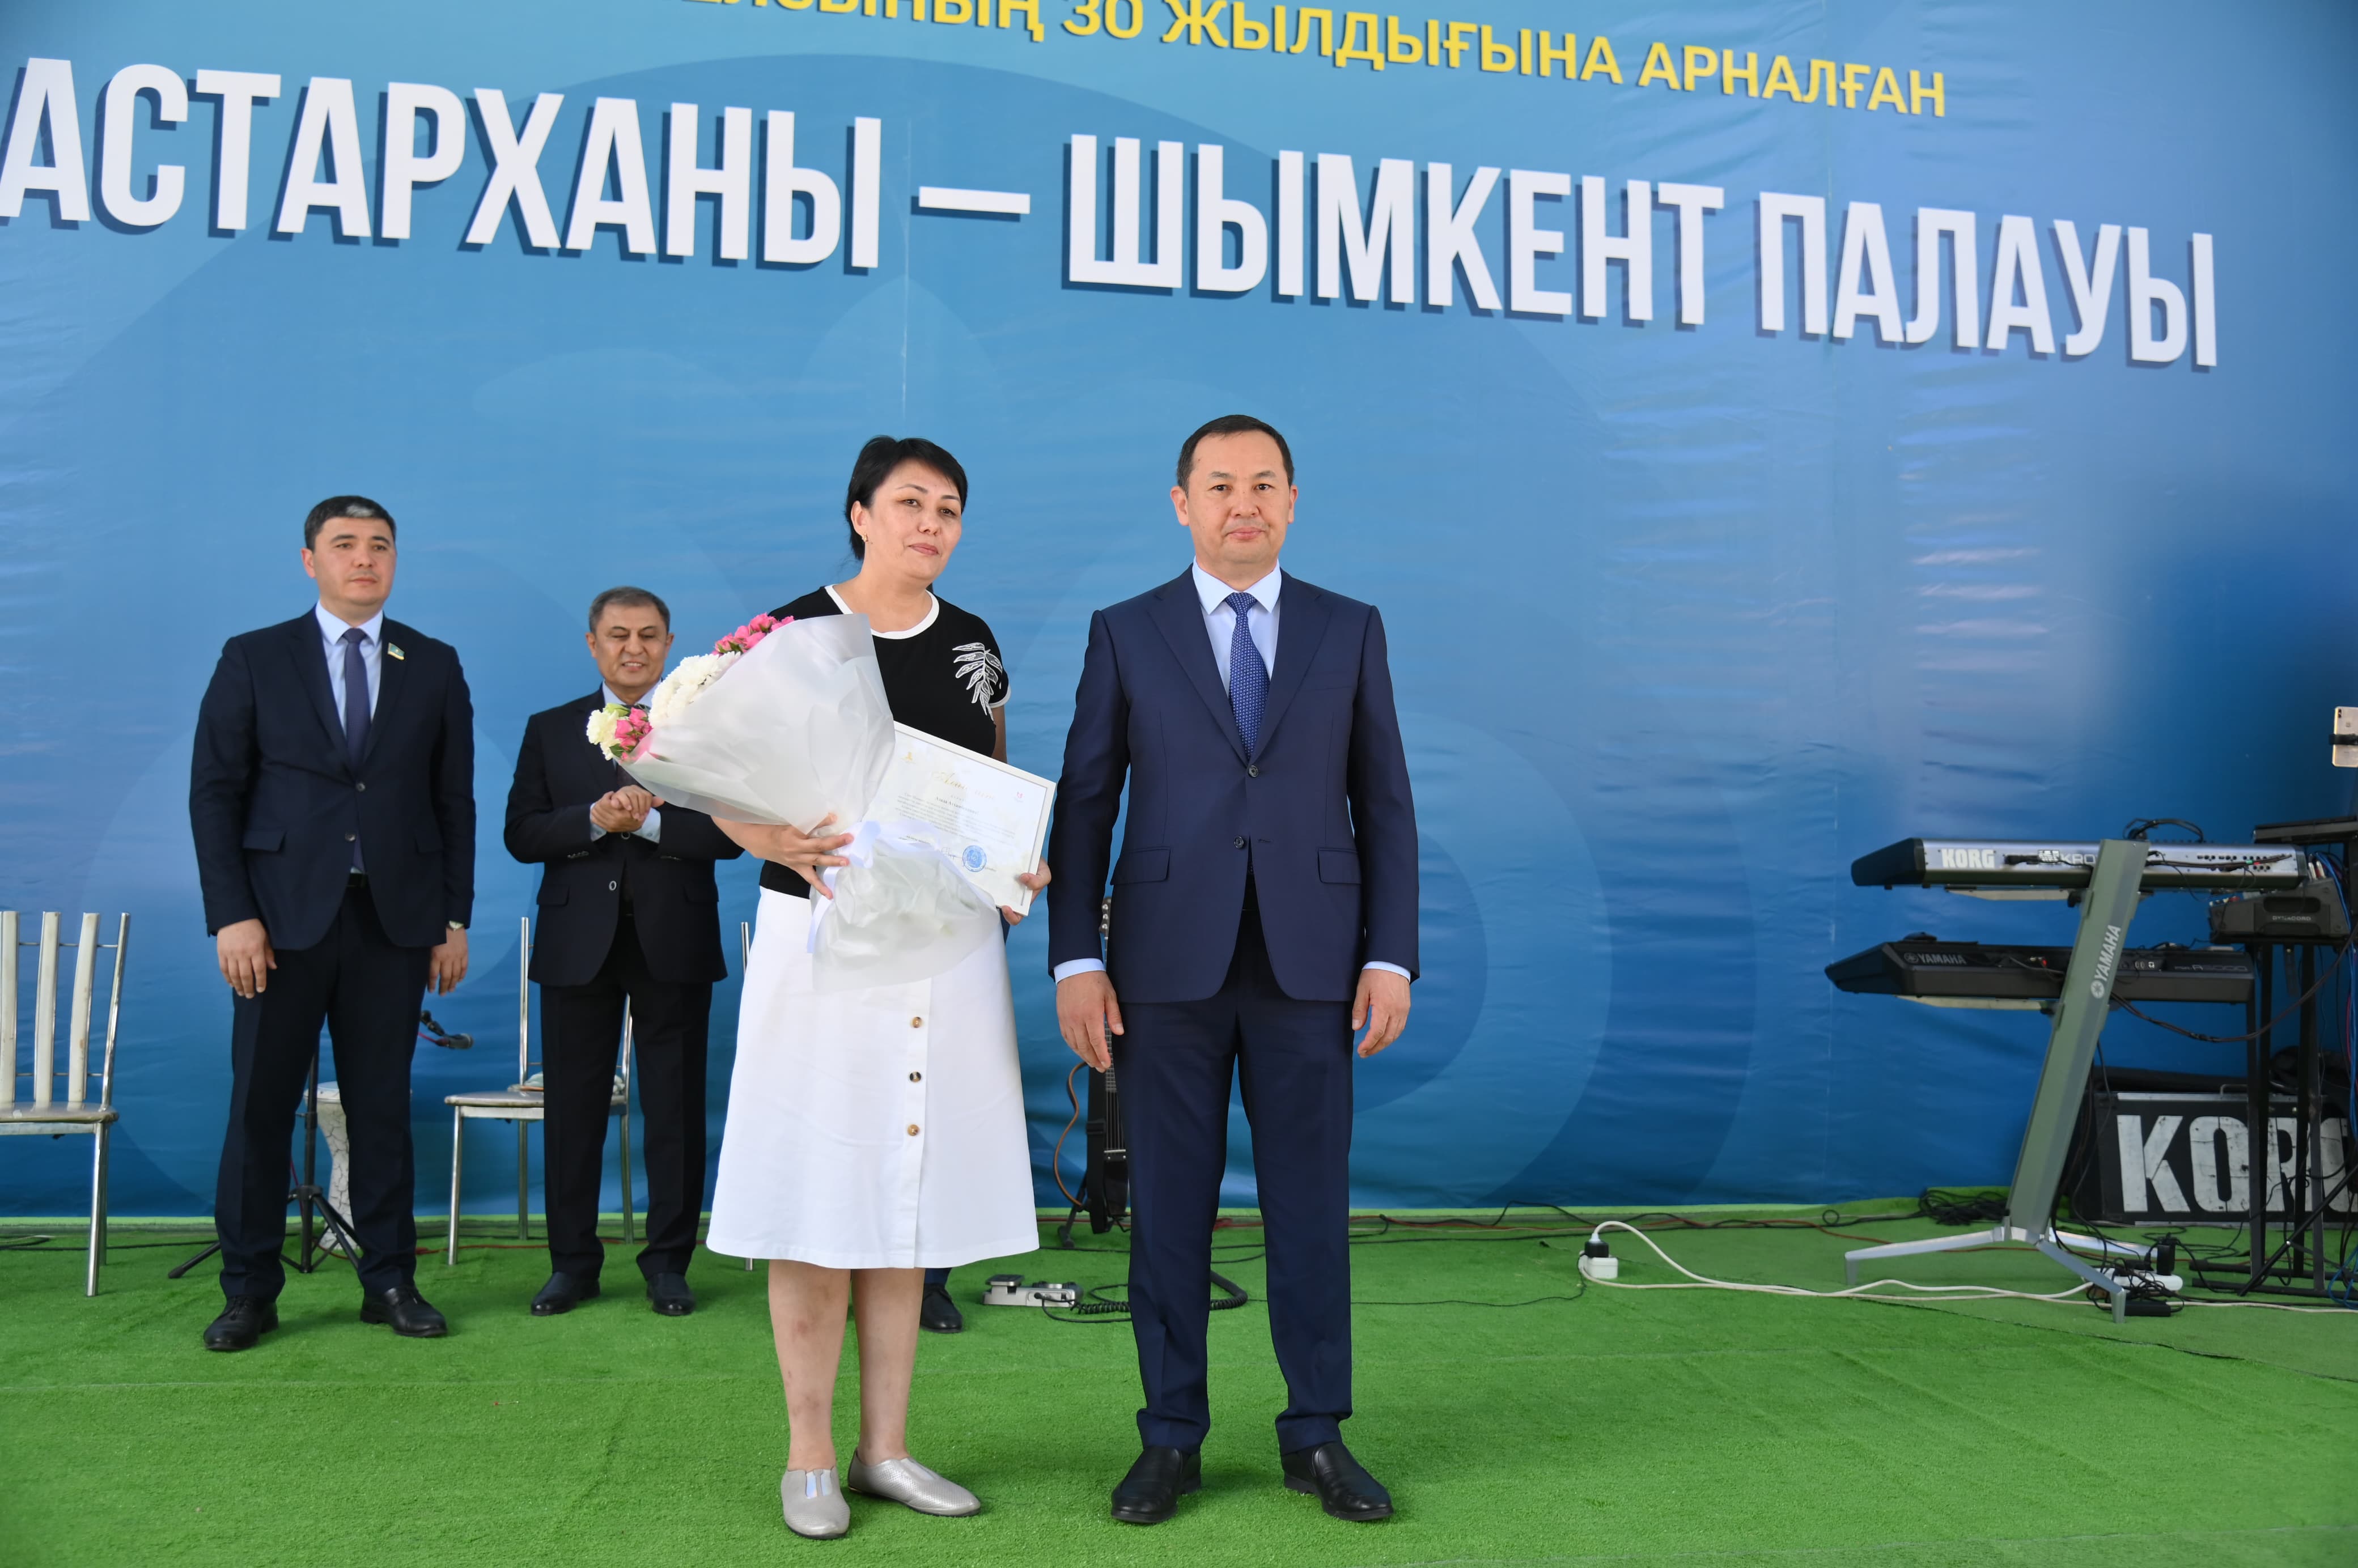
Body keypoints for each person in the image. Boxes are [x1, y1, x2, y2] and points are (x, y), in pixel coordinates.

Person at [1047, 415, 1418, 1525]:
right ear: (1182, 504)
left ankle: (1317, 1434)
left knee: (1310, 1210)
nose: (1241, 503)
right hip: (1162, 966)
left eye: (1263, 484)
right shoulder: (1126, 631)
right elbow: (1087, 803)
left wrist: (1390, 953)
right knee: (1167, 1210)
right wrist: (1076, 957)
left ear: (1292, 501)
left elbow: (1385, 802)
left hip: (1314, 963)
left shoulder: (1350, 628)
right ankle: (1170, 1436)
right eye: (1219, 485)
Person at [706, 436, 1048, 1540]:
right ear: (860, 513)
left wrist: (1013, 863)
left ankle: (885, 1448)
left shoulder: (973, 639)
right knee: (818, 1193)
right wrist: (768, 837)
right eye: (909, 503)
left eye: (948, 507)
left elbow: (992, 769)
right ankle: (809, 1456)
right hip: (820, 936)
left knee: (907, 1197)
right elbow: (703, 764)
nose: (930, 524)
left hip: (942, 941)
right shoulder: (787, 631)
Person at [189, 495, 474, 1352]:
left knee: (381, 1108)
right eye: (345, 544)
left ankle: (388, 1280)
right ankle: (249, 1290)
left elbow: (452, 802)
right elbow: (215, 793)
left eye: (379, 545)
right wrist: (233, 915)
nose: (364, 559)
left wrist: (451, 916)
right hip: (277, 925)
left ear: (395, 561)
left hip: (394, 922)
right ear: (310, 560)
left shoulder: (432, 662)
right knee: (260, 1108)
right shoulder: (254, 656)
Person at [503, 587, 746, 1319]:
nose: (632, 648)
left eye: (647, 635)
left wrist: (645, 826)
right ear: (593, 644)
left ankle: (668, 1265)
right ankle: (571, 1265)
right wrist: (593, 819)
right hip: (577, 942)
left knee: (675, 1110)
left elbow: (732, 835)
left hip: (675, 938)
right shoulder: (550, 730)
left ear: (669, 644)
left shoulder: (708, 727)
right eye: (618, 635)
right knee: (572, 1111)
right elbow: (522, 834)